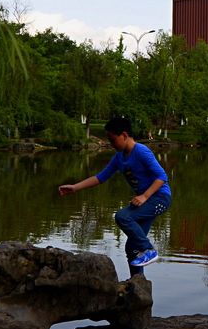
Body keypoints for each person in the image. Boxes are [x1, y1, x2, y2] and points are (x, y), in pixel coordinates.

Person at [58, 116, 172, 272]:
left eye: (112, 140)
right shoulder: (119, 157)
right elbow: (100, 177)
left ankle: (149, 250)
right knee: (132, 245)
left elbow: (162, 177)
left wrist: (144, 196)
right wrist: (75, 187)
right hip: (146, 201)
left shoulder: (141, 151)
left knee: (122, 216)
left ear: (124, 135)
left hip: (159, 198)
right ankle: (136, 283)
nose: (111, 144)